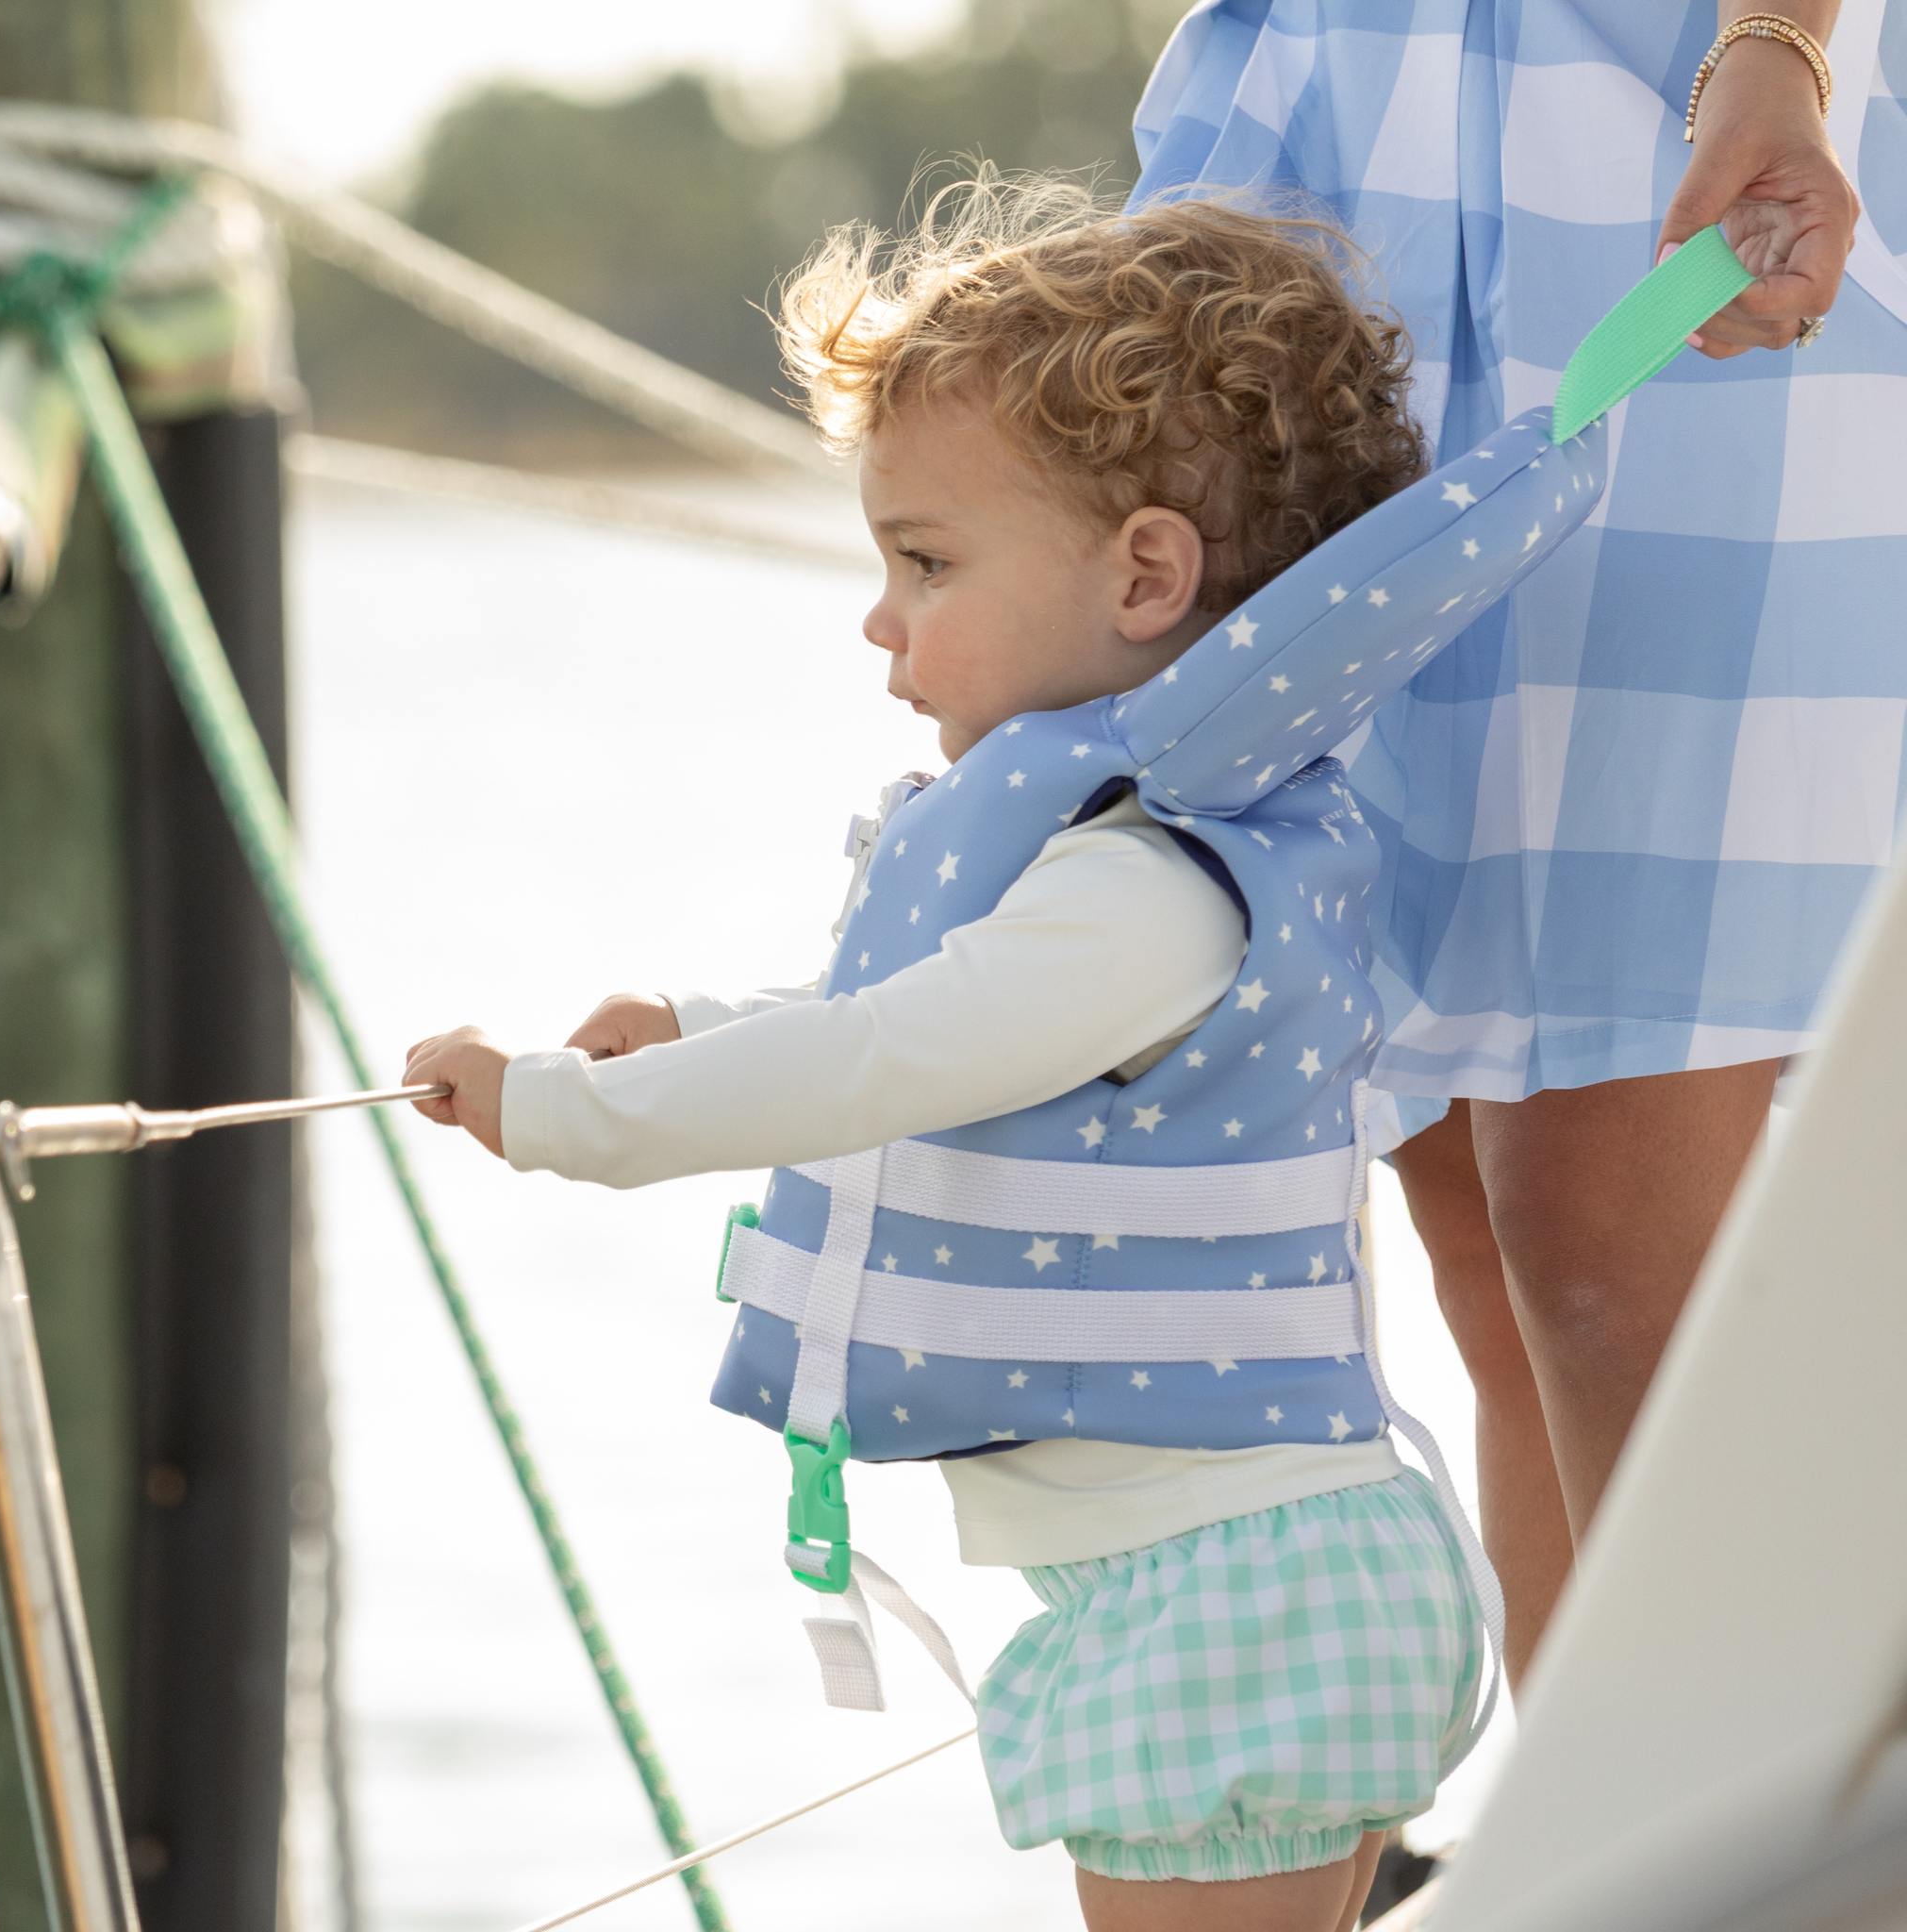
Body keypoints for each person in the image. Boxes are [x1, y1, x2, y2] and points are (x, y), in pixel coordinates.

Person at [397, 182, 1591, 1931]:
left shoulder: (1152, 888)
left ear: (1147, 575)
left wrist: (574, 1114)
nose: (882, 622)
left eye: (928, 562)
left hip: (1227, 1612)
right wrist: (697, 1024)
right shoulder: (1103, 869)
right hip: (1202, 1589)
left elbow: (889, 1060)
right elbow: (912, 1032)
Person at [1130, 0, 1904, 1689]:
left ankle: (1712, 1849)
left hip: (1673, 173)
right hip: (1338, 188)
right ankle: (1585, 1839)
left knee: (1594, 1241)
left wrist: (1776, 45)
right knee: (1481, 1243)